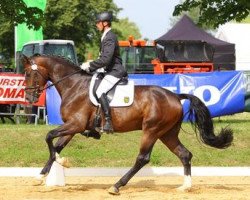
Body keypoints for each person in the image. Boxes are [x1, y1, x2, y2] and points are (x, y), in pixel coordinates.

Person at [80, 11, 127, 133]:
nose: (96, 25)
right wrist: (92, 63)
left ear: (105, 23)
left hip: (115, 71)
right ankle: (94, 122)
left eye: (98, 22)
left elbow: (106, 59)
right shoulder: (105, 36)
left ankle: (108, 121)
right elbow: (103, 58)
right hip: (108, 70)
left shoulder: (110, 36)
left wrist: (90, 66)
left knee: (100, 90)